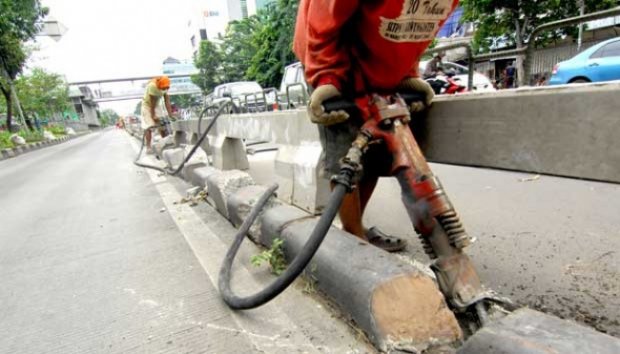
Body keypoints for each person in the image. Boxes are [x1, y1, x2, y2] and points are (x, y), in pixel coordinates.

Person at [294, 0, 459, 252]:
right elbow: (322, 18)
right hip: (331, 51)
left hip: (377, 59)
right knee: (345, 153)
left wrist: (407, 74)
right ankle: (355, 244)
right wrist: (326, 75)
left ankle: (355, 228)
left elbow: (412, 27)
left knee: (373, 150)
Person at [141, 76, 174, 152]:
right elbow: (152, 102)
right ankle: (148, 147)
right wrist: (153, 115)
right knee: (149, 126)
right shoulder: (152, 86)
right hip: (147, 105)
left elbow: (167, 101)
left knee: (162, 125)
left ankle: (165, 143)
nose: (164, 90)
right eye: (162, 88)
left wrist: (170, 114)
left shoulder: (165, 86)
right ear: (159, 84)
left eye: (165, 88)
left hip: (156, 105)